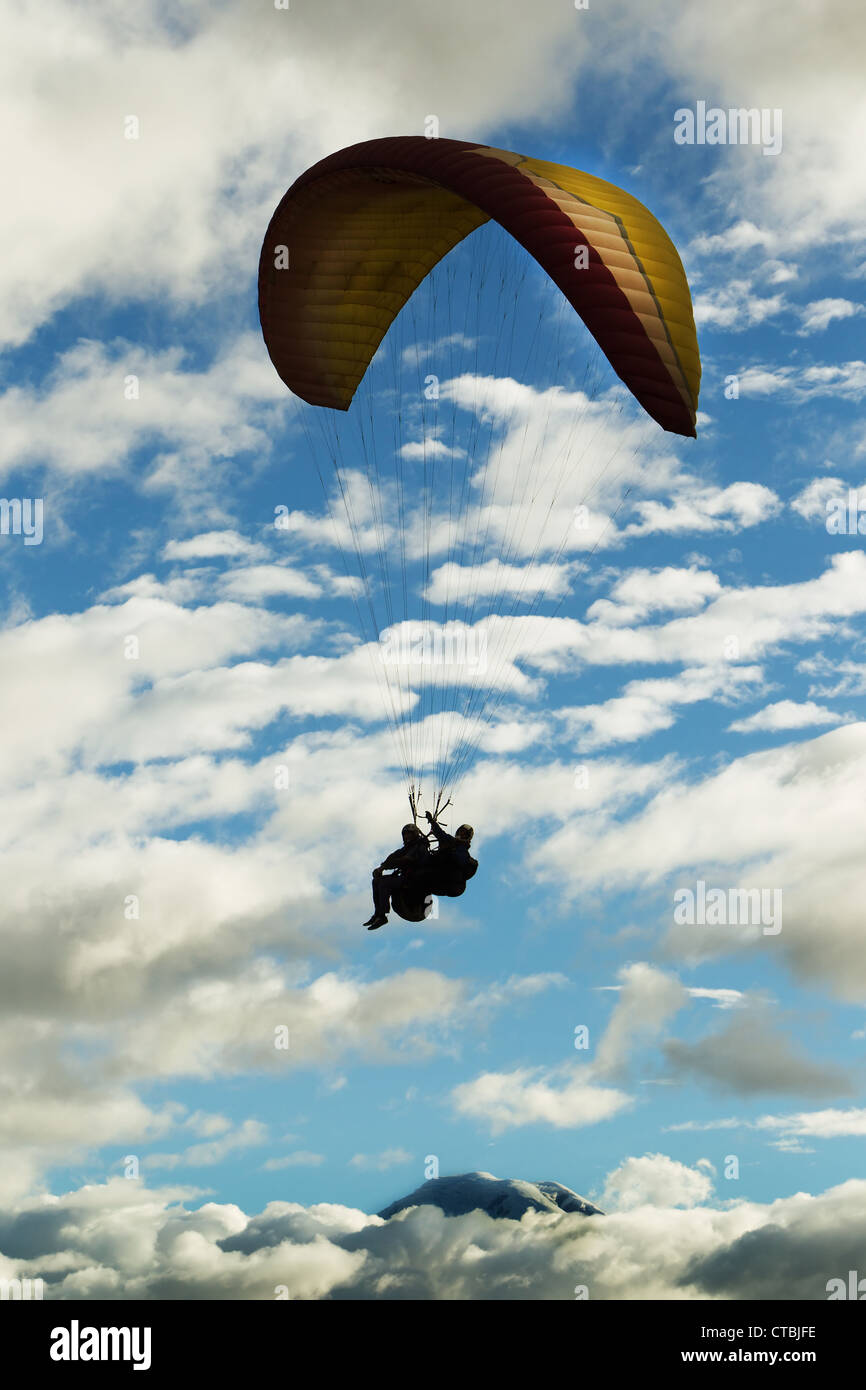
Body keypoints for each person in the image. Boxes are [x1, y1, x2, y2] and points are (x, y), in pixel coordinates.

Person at [364, 823, 430, 930]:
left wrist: (385, 867)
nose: (407, 837)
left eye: (409, 834)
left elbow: (405, 860)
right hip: (406, 879)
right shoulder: (408, 847)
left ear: (415, 834)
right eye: (405, 835)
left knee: (384, 883)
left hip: (414, 881)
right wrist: (381, 868)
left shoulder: (420, 847)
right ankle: (378, 913)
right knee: (376, 881)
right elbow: (394, 856)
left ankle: (382, 916)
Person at [422, 812, 477, 897]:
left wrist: (448, 851)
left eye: (464, 834)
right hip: (439, 880)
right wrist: (432, 821)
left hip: (450, 883)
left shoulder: (463, 850)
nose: (461, 834)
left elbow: (460, 861)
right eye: (460, 832)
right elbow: (440, 833)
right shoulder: (450, 840)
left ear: (467, 838)